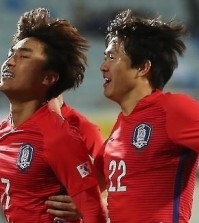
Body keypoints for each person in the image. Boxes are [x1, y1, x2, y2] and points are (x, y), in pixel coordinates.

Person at [46, 9, 199, 223]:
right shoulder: (118, 131)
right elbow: (94, 188)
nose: (103, 67)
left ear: (142, 68)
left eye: (112, 57)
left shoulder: (173, 108)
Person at [0, 8, 107, 223]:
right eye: (12, 53)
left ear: (48, 78)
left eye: (24, 56)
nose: (10, 61)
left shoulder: (59, 137)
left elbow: (95, 210)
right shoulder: (4, 130)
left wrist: (85, 209)